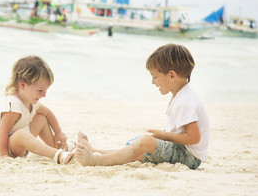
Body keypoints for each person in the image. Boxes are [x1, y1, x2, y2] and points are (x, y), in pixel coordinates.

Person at [76, 44, 209, 170]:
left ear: (172, 75)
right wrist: (161, 136)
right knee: (139, 149)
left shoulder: (184, 101)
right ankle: (96, 152)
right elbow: (180, 131)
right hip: (182, 151)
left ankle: (97, 161)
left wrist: (163, 135)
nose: (152, 82)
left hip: (189, 157)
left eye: (155, 77)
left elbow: (194, 137)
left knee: (145, 142)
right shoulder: (182, 96)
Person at [0, 56, 75, 164]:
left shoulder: (30, 101)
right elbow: (2, 131)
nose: (44, 95)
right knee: (21, 134)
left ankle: (58, 147)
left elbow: (48, 113)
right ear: (22, 85)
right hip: (10, 149)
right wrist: (3, 154)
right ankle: (56, 154)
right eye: (40, 90)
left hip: (24, 144)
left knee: (41, 118)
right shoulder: (13, 105)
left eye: (45, 91)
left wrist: (58, 132)